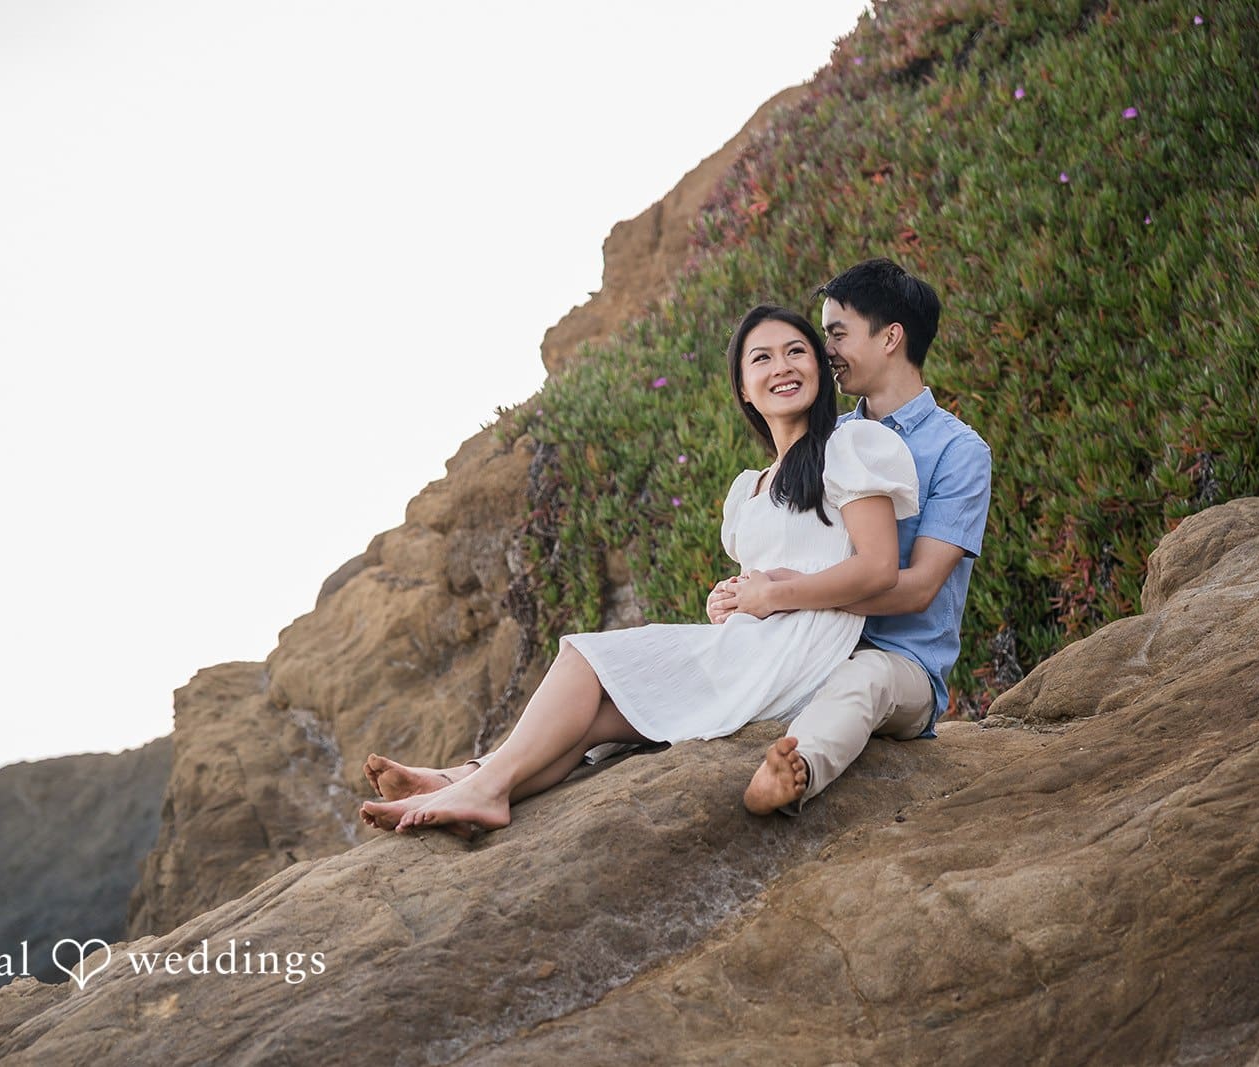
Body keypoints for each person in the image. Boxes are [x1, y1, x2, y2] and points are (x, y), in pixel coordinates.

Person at [359, 303, 919, 835]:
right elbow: (766, 579)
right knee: (595, 719)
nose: (782, 367)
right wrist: (730, 599)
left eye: (796, 351)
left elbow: (876, 571)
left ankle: (483, 786)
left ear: (819, 366)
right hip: (751, 648)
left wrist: (775, 595)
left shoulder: (851, 445)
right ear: (743, 389)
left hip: (800, 655)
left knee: (584, 655)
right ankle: (470, 783)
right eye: (762, 358)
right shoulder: (749, 488)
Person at [715, 258, 992, 816]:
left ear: (891, 337)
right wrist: (744, 592)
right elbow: (785, 544)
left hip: (901, 665)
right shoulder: (831, 437)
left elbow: (917, 590)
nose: (826, 352)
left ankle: (799, 771)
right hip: (809, 646)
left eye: (837, 334)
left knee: (864, 679)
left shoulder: (959, 453)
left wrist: (787, 592)